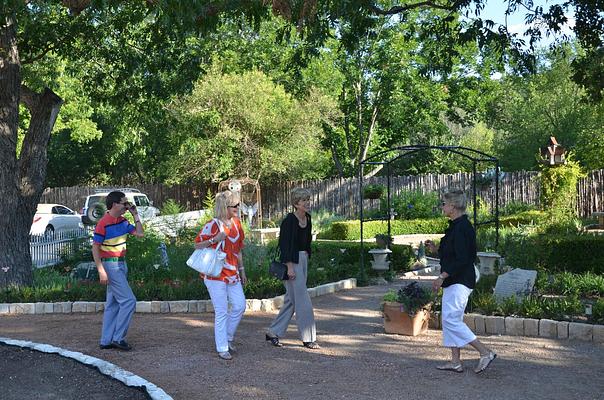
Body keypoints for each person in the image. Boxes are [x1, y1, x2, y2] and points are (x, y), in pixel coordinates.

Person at [426, 189, 497, 374]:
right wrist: (436, 249)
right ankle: (455, 362)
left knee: (451, 319)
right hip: (454, 279)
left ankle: (485, 352)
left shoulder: (463, 227)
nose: (442, 206)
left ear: (453, 206)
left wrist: (442, 276)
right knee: (451, 319)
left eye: (444, 203)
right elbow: (452, 253)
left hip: (460, 279)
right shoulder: (456, 225)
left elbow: (463, 258)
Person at [195, 190, 247, 360]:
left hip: (232, 273)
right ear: (225, 206)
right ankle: (222, 346)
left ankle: (228, 337)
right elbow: (197, 246)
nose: (238, 208)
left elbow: (238, 250)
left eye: (238, 205)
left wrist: (242, 270)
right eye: (235, 205)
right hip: (215, 274)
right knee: (222, 310)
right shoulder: (213, 225)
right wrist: (214, 239)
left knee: (239, 305)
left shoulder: (238, 224)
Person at [266, 187, 319, 349]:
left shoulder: (308, 219)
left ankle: (273, 332)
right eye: (304, 201)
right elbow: (285, 246)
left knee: (291, 301)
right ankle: (308, 337)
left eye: (308, 200)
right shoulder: (289, 221)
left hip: (303, 260)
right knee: (303, 301)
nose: (307, 203)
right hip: (292, 262)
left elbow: (307, 242)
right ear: (296, 203)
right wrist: (289, 268)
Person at [93, 191, 144, 351]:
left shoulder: (123, 221)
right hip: (111, 266)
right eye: (124, 203)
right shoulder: (103, 223)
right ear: (115, 204)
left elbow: (140, 234)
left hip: (121, 264)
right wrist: (101, 270)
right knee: (129, 301)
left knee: (113, 303)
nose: (127, 205)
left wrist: (135, 215)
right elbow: (95, 248)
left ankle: (106, 340)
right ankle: (118, 338)